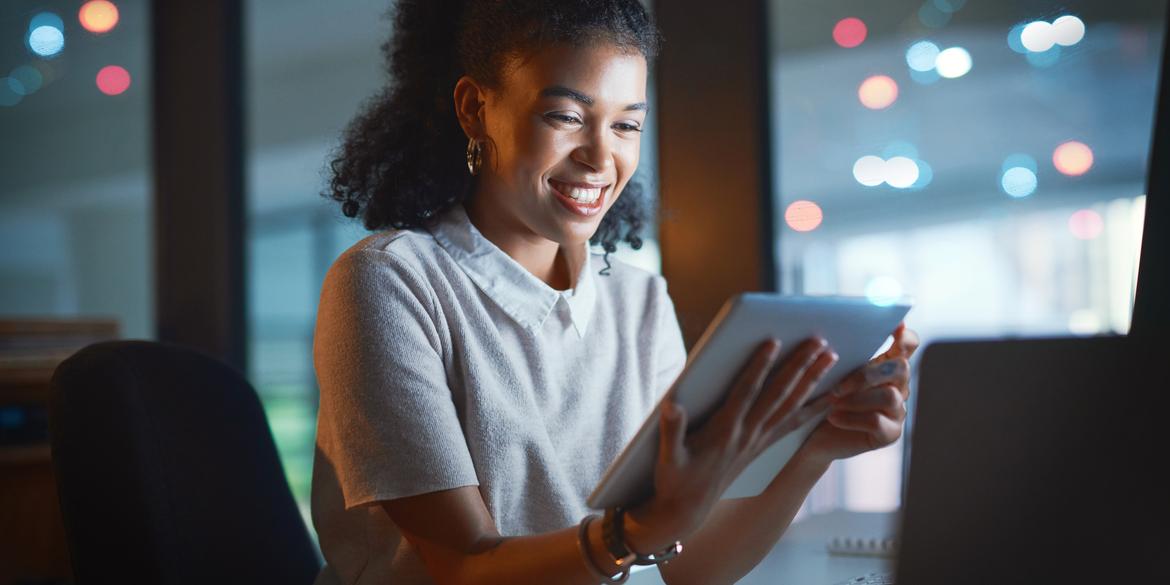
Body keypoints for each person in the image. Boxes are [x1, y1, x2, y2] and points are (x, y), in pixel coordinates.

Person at [310, 1, 920, 584]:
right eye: (566, 116)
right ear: (474, 107)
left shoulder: (639, 300)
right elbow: (466, 570)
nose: (602, 157)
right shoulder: (390, 283)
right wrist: (632, 534)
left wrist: (818, 447)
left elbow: (688, 565)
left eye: (627, 124)